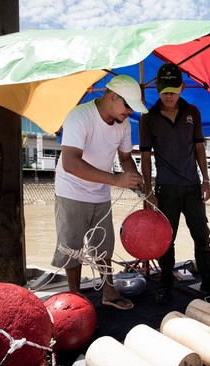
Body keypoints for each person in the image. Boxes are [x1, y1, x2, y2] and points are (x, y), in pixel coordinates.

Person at [52, 74, 148, 311]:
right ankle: (74, 297)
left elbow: (125, 158)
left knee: (103, 246)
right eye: (127, 105)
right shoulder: (79, 116)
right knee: (72, 247)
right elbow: (71, 164)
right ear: (111, 95)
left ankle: (108, 290)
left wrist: (135, 180)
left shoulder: (123, 125)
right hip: (71, 190)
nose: (129, 112)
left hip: (100, 192)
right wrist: (116, 180)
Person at [139, 62, 210, 304]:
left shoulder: (193, 113)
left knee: (201, 235)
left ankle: (208, 281)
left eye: (173, 91)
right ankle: (165, 283)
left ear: (182, 87)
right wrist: (147, 191)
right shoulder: (148, 118)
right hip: (165, 188)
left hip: (193, 186)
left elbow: (199, 147)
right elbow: (145, 156)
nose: (168, 96)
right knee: (166, 238)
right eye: (164, 90)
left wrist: (206, 180)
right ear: (156, 88)